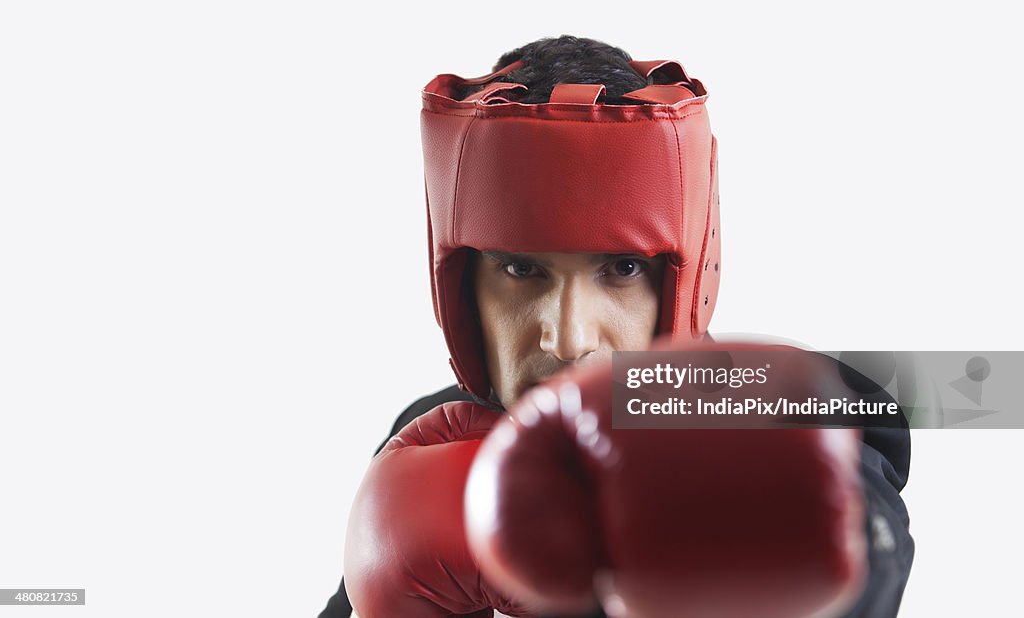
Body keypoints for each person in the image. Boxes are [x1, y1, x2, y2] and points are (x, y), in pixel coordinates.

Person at [318, 35, 914, 617]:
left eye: (621, 269)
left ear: (683, 286)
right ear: (461, 287)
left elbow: (862, 550)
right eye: (521, 269)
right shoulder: (430, 444)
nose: (569, 337)